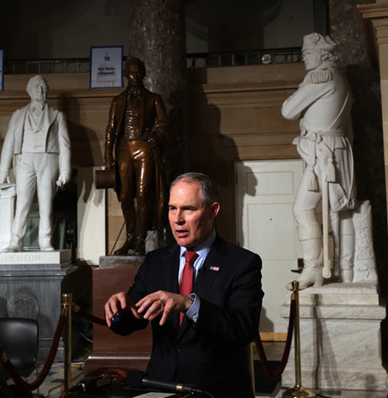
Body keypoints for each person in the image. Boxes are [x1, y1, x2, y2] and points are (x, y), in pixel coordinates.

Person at [104, 172, 263, 398]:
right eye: (172, 208)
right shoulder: (155, 261)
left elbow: (244, 329)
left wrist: (190, 305)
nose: (177, 219)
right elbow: (132, 321)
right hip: (161, 387)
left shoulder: (242, 263)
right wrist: (119, 310)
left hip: (216, 391)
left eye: (188, 209)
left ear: (212, 211)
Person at [281, 33, 356, 289]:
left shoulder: (320, 77)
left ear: (323, 55)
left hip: (325, 153)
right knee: (338, 212)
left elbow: (288, 110)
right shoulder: (340, 78)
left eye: (307, 53)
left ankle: (316, 269)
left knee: (306, 209)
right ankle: (342, 270)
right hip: (333, 150)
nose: (304, 58)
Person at [104, 57, 175, 256]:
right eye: (132, 73)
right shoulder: (118, 100)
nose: (135, 76)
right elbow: (110, 129)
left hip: (144, 148)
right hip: (124, 148)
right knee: (125, 196)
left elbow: (164, 123)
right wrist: (107, 157)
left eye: (138, 72)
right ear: (126, 75)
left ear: (143, 74)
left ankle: (140, 241)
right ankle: (129, 238)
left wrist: (157, 136)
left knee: (144, 195)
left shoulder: (153, 99)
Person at [0, 75, 71, 252]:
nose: (40, 91)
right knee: (23, 201)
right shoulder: (18, 115)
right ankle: (16, 241)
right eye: (36, 87)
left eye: (43, 87)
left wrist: (65, 170)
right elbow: (8, 142)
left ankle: (45, 241)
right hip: (24, 159)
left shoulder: (57, 116)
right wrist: (3, 170)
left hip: (48, 158)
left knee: (46, 202)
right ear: (29, 90)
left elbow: (65, 144)